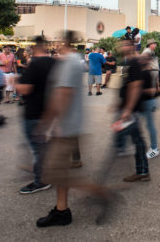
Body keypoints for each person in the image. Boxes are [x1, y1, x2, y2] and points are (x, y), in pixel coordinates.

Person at [36, 31, 111, 227]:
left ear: (64, 42)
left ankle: (101, 194)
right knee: (60, 172)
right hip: (68, 126)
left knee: (53, 172)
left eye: (58, 41)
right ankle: (62, 211)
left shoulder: (68, 63)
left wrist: (49, 123)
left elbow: (63, 94)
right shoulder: (71, 62)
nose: (56, 45)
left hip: (65, 127)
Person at [16, 36, 56, 194]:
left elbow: (25, 90)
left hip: (34, 112)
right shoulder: (54, 63)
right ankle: (41, 170)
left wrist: (15, 83)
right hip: (49, 110)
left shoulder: (34, 64)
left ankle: (42, 179)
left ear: (34, 47)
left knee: (37, 147)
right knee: (40, 145)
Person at [114, 39, 150, 182]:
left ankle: (142, 171)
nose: (122, 47)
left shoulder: (134, 62)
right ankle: (142, 171)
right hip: (129, 108)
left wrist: (128, 109)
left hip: (132, 109)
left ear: (131, 46)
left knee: (138, 140)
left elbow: (135, 87)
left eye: (124, 44)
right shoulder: (129, 62)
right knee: (137, 139)